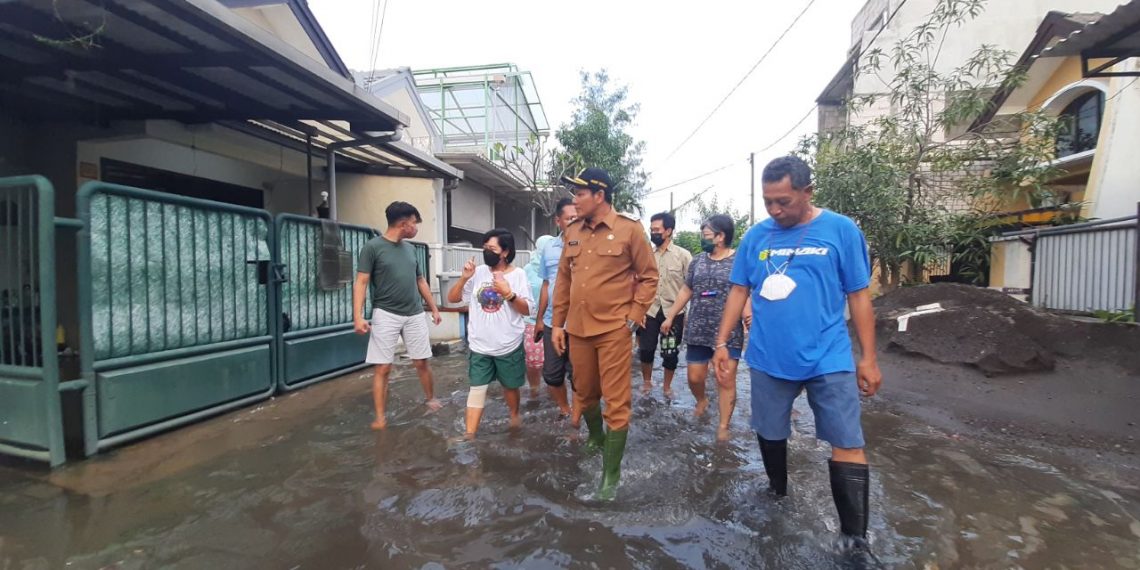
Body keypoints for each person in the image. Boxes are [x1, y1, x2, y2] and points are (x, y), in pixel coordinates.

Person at [712, 155, 883, 543]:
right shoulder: (757, 236)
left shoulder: (840, 230)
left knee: (848, 441)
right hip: (770, 356)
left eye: (783, 201)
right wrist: (722, 343)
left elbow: (858, 295)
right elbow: (740, 289)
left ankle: (854, 541)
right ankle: (777, 493)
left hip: (830, 355)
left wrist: (868, 358)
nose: (775, 210)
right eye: (768, 201)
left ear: (808, 192)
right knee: (770, 433)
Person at [552, 167, 659, 500]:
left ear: (599, 195)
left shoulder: (629, 230)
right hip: (579, 329)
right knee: (583, 393)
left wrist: (633, 316)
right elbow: (564, 282)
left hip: (614, 328)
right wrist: (558, 323)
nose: (575, 200)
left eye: (580, 194)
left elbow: (649, 276)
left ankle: (610, 478)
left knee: (616, 403)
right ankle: (596, 438)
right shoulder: (573, 231)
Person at [353, 201, 443, 430]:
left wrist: (433, 308)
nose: (416, 228)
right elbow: (361, 281)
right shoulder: (373, 248)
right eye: (414, 223)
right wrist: (358, 316)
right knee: (383, 367)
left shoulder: (410, 249)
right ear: (403, 224)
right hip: (385, 313)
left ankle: (431, 398)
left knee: (421, 361)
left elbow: (420, 280)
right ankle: (380, 418)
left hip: (414, 313)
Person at [661, 214, 751, 440]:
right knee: (694, 377)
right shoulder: (698, 261)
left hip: (728, 331)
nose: (703, 238)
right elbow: (686, 290)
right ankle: (702, 400)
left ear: (721, 237)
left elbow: (745, 291)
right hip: (699, 329)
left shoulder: (739, 260)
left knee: (725, 378)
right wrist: (671, 316)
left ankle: (723, 426)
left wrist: (749, 313)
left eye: (706, 234)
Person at [447, 228, 534, 437]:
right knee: (477, 389)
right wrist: (463, 278)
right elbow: (452, 299)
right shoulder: (477, 273)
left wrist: (509, 293)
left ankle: (514, 415)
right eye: (484, 247)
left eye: (492, 248)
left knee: (510, 387)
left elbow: (528, 309)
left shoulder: (518, 275)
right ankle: (469, 435)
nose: (487, 252)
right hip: (479, 344)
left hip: (508, 344)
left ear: (505, 252)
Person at [534, 197, 578, 421]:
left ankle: (578, 415)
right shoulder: (549, 248)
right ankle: (565, 408)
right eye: (569, 218)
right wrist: (539, 319)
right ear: (558, 221)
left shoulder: (587, 245)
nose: (573, 222)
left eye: (576, 217)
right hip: (553, 322)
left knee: (578, 376)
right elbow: (545, 284)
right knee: (551, 375)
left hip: (580, 323)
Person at [639, 212, 692, 397]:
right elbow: (638, 283)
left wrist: (681, 315)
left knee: (670, 353)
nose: (653, 233)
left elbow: (689, 286)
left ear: (668, 231)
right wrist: (639, 311)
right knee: (645, 350)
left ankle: (667, 387)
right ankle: (647, 382)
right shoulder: (646, 255)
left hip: (673, 312)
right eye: (651, 229)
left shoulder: (683, 256)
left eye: (657, 230)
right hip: (650, 311)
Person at [522, 235, 554, 401]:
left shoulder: (556, 266)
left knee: (553, 362)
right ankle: (534, 391)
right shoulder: (528, 269)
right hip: (531, 322)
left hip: (555, 321)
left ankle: (553, 392)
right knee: (533, 361)